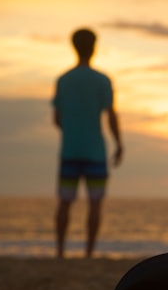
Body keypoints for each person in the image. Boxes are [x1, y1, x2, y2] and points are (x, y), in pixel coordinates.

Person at [52, 28, 123, 258]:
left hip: (69, 150)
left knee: (65, 203)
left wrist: (72, 130)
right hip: (95, 151)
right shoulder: (102, 80)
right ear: (94, 47)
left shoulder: (63, 80)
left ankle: (61, 252)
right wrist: (119, 143)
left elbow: (57, 118)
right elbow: (111, 115)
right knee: (95, 204)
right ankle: (88, 254)